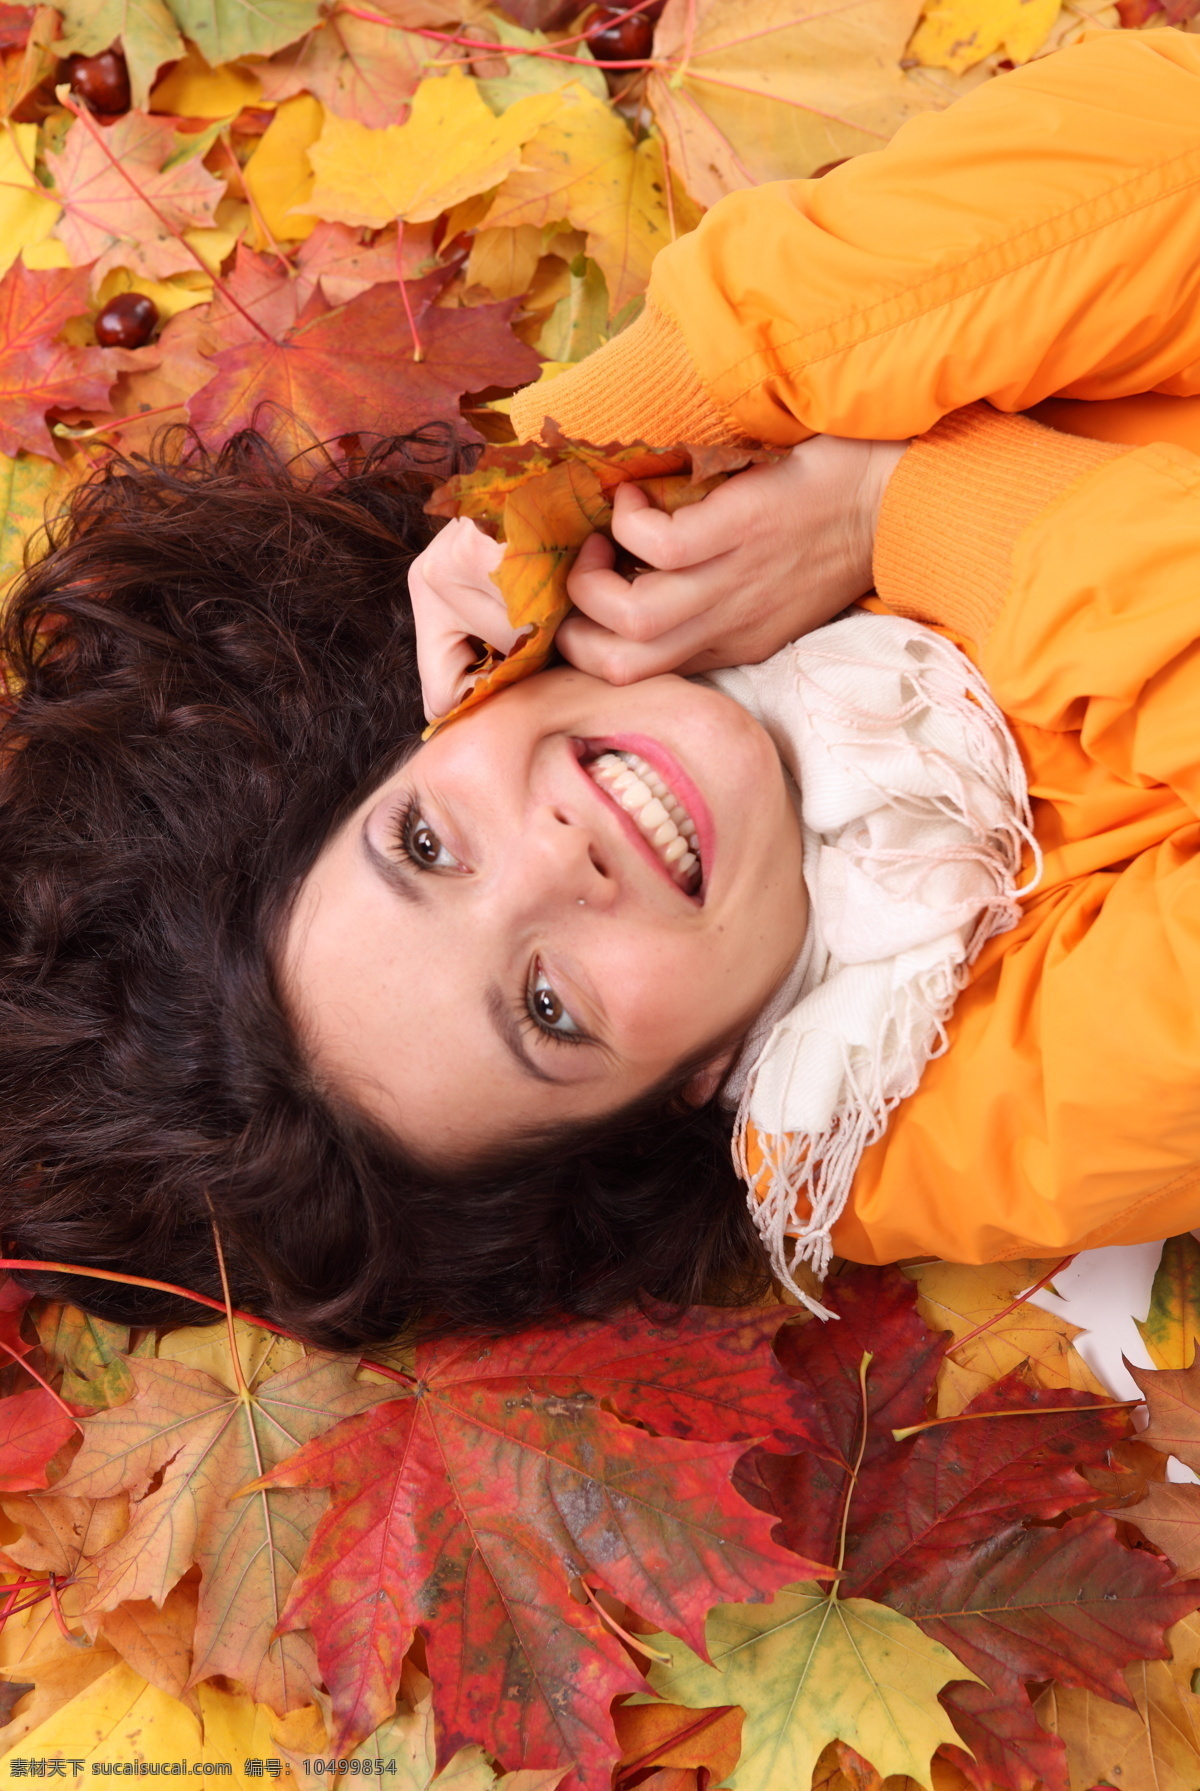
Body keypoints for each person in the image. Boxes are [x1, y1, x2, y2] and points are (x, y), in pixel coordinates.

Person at [3, 29, 1200, 1347]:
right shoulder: (955, 1115)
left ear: (412, 733)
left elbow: (1171, 141)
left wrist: (644, 422)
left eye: (426, 844)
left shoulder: (669, 530)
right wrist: (894, 500)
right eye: (548, 1008)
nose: (555, 862)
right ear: (683, 1088)